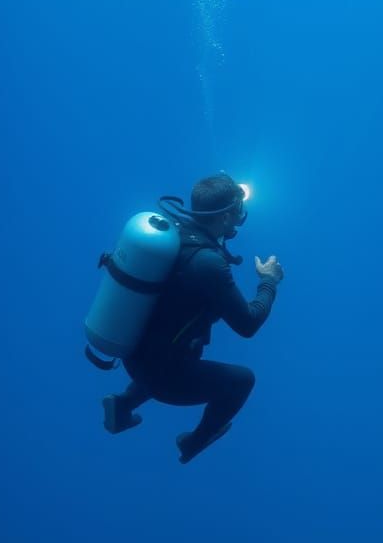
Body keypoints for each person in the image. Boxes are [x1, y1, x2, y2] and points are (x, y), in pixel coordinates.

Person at [102, 173, 285, 463]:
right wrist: (268, 282)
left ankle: (123, 403)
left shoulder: (171, 236)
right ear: (225, 216)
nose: (240, 216)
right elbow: (248, 324)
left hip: (132, 354)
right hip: (164, 379)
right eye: (238, 210)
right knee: (243, 381)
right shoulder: (208, 264)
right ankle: (194, 442)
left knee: (165, 346)